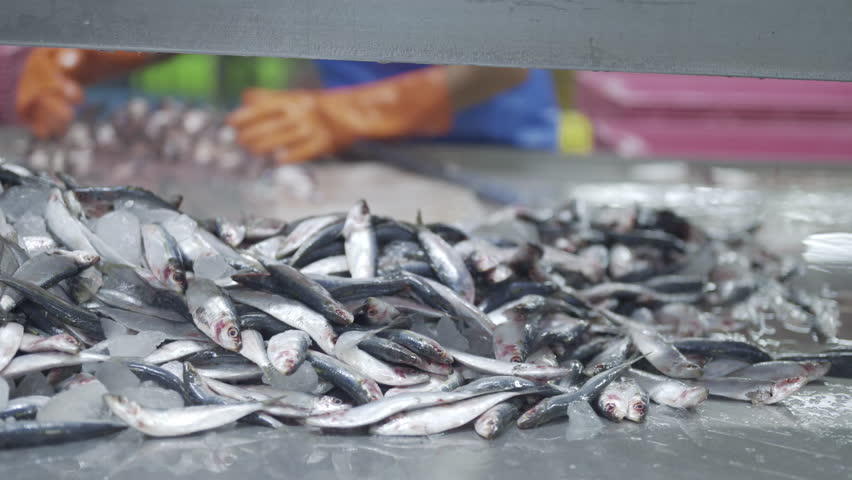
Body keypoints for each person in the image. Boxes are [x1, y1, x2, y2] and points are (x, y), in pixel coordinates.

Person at [10, 48, 560, 163]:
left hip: (490, 147)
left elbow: (504, 58)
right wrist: (83, 52)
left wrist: (340, 114)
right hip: (357, 154)